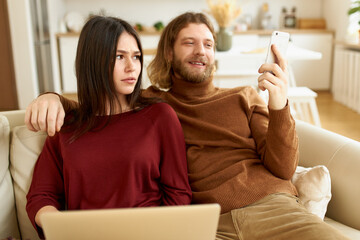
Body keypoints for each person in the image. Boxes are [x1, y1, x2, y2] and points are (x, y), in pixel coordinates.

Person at [25, 12, 348, 240]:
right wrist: (52, 98)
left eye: (208, 44)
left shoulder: (239, 97)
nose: (201, 51)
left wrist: (279, 104)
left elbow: (281, 166)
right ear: (169, 52)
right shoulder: (154, 104)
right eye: (190, 43)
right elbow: (103, 113)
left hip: (267, 206)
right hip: (207, 222)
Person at [25, 15, 191, 239]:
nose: (132, 67)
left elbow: (178, 195)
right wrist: (61, 228)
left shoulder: (160, 116)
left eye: (136, 56)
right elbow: (41, 196)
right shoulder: (66, 125)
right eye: (119, 57)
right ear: (93, 61)